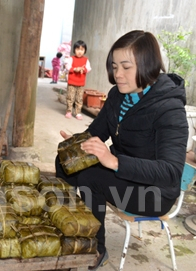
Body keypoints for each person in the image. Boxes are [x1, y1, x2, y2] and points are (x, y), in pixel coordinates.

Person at [55, 30, 187, 270]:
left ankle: (96, 248)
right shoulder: (118, 95)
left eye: (126, 67)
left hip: (155, 193)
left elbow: (171, 172)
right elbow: (98, 131)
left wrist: (114, 161)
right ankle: (69, 226)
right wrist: (75, 143)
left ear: (148, 64)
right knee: (63, 163)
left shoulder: (169, 108)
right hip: (124, 174)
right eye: (115, 66)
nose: (118, 75)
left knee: (89, 177)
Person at [65, 40, 91, 120]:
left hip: (81, 83)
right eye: (78, 49)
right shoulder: (71, 58)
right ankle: (69, 111)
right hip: (72, 82)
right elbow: (68, 67)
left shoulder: (86, 60)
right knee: (70, 97)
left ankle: (78, 112)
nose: (80, 51)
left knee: (79, 98)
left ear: (85, 50)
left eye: (82, 49)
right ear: (74, 50)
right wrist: (75, 69)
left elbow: (89, 68)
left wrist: (84, 70)